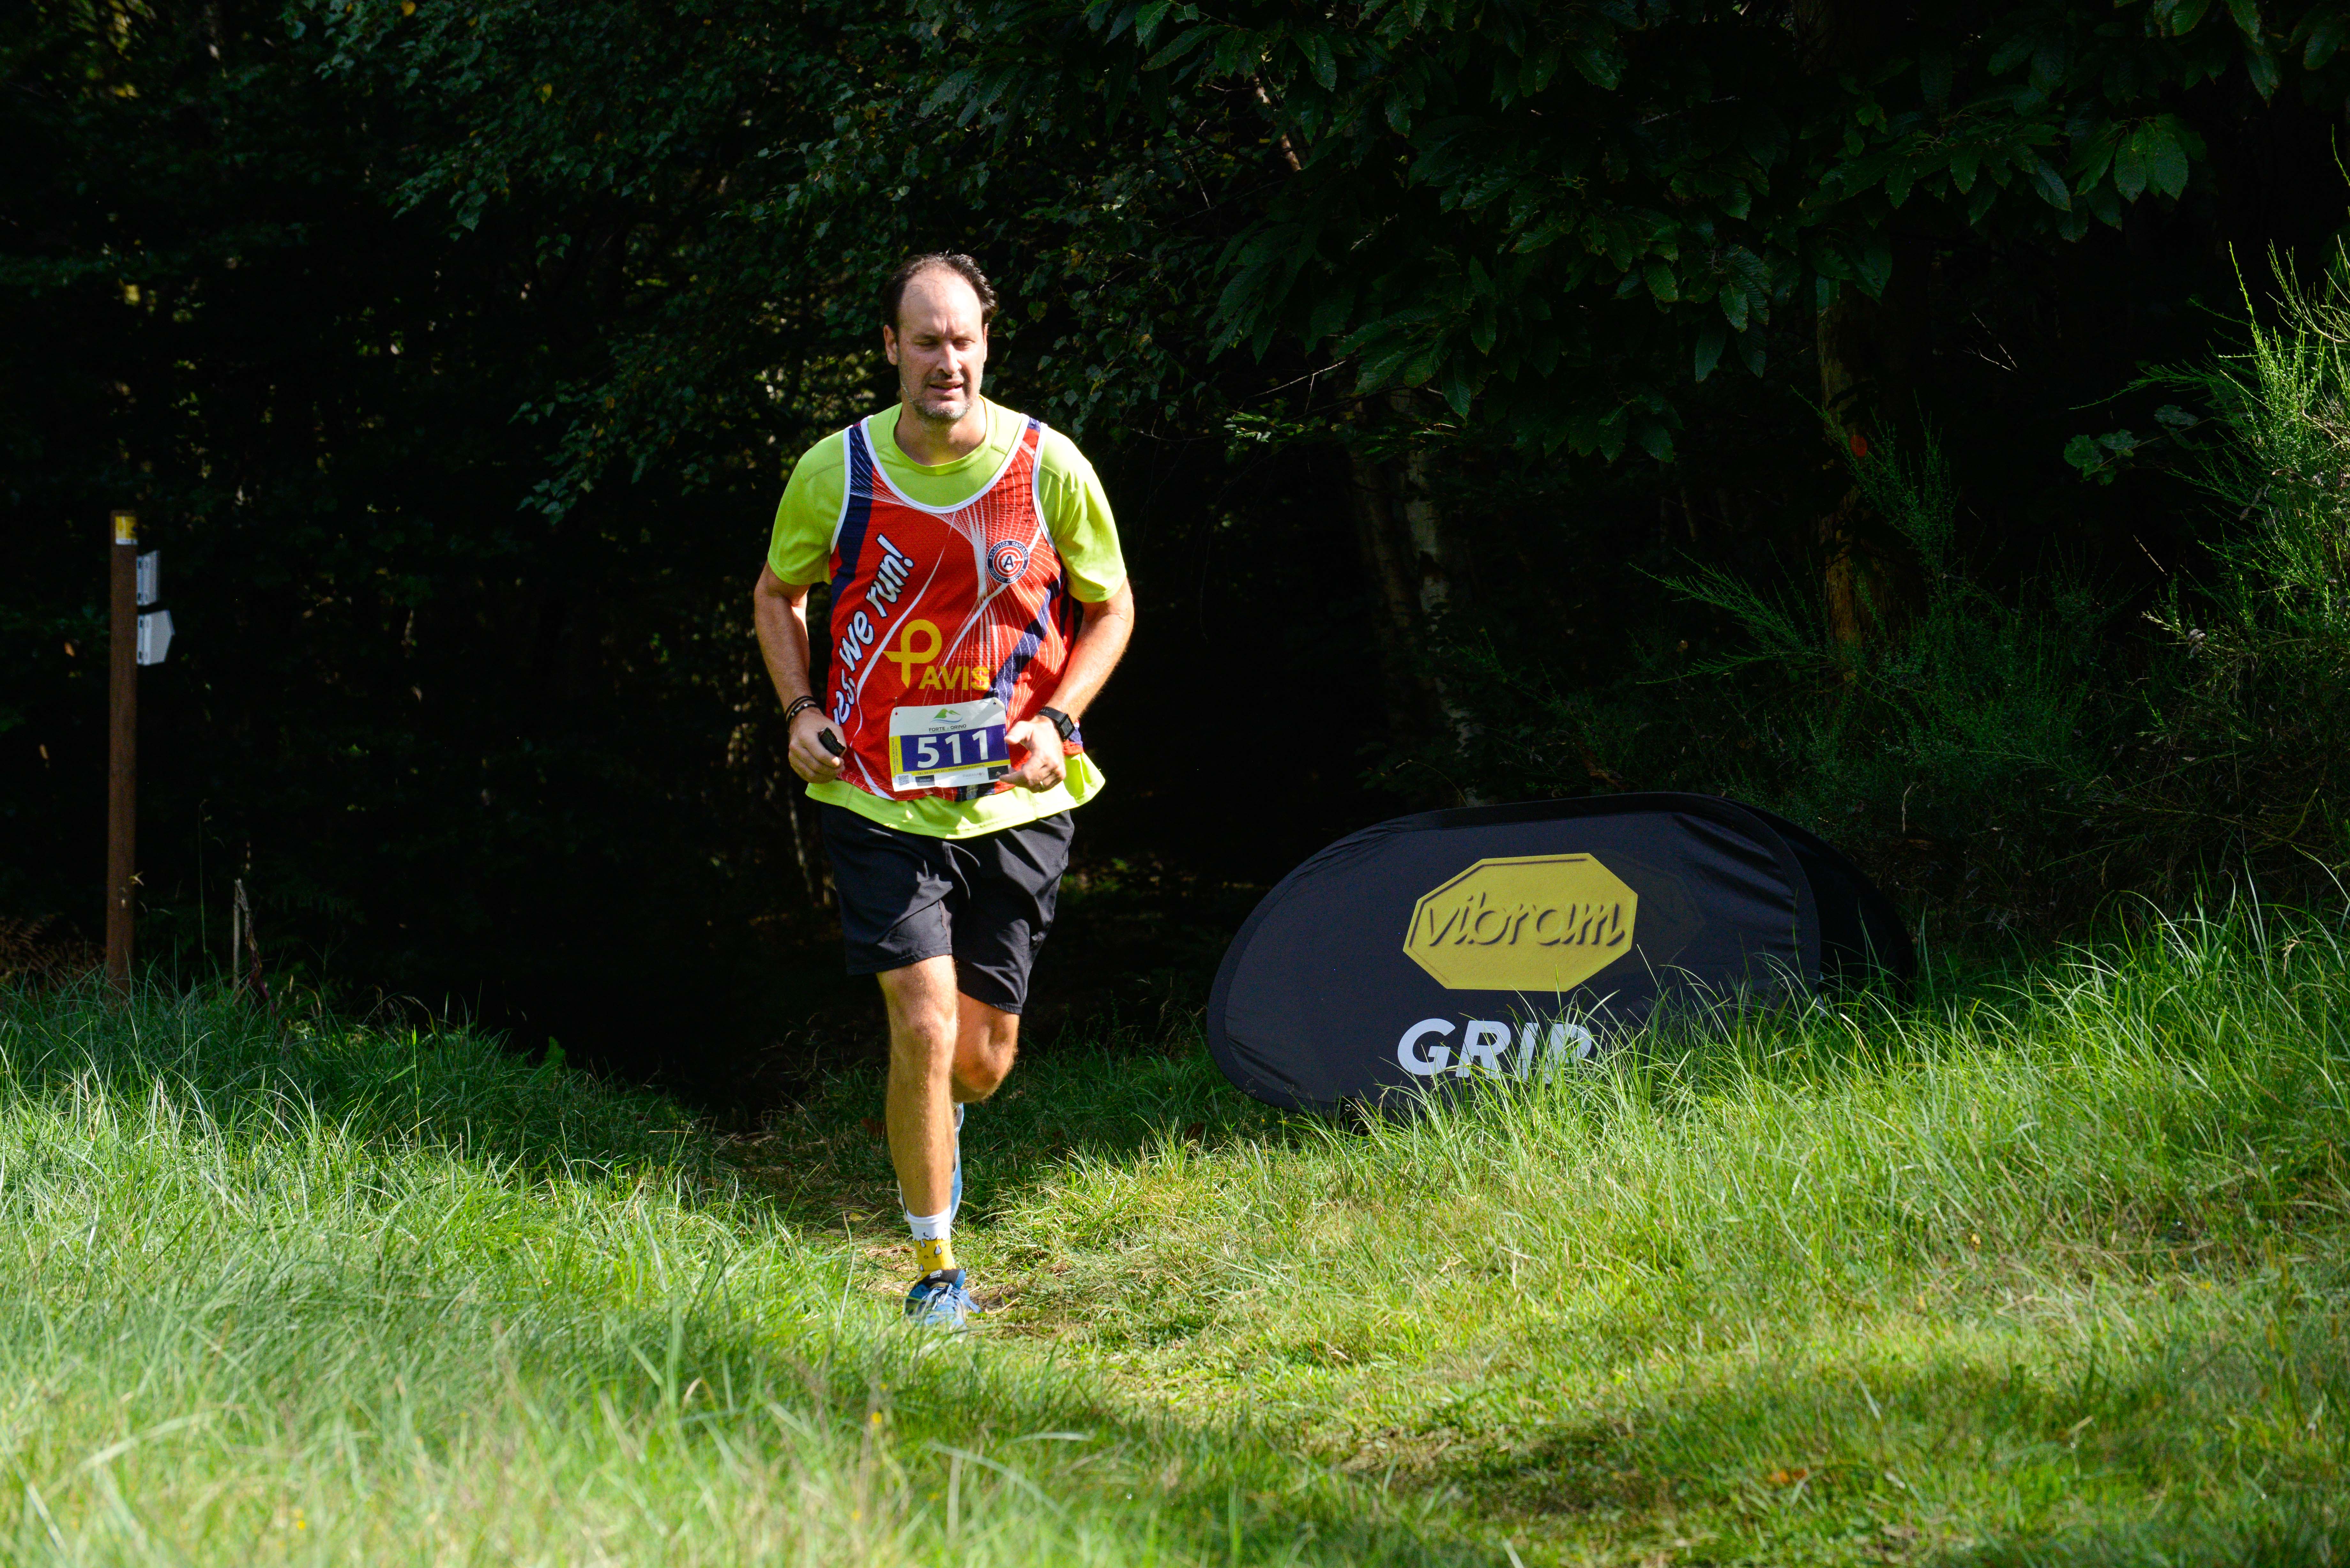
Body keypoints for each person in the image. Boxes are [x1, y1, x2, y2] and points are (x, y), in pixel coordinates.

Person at [752, 253, 1134, 1330]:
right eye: (925, 342)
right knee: (920, 1025)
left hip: (1017, 799)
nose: (947, 361)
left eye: (963, 340)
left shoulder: (1049, 466)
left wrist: (1061, 722)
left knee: (979, 1062)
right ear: (891, 348)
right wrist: (800, 710)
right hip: (876, 796)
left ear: (986, 342)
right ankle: (936, 1269)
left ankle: (945, 1116)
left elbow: (1112, 606)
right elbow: (778, 594)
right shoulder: (837, 471)